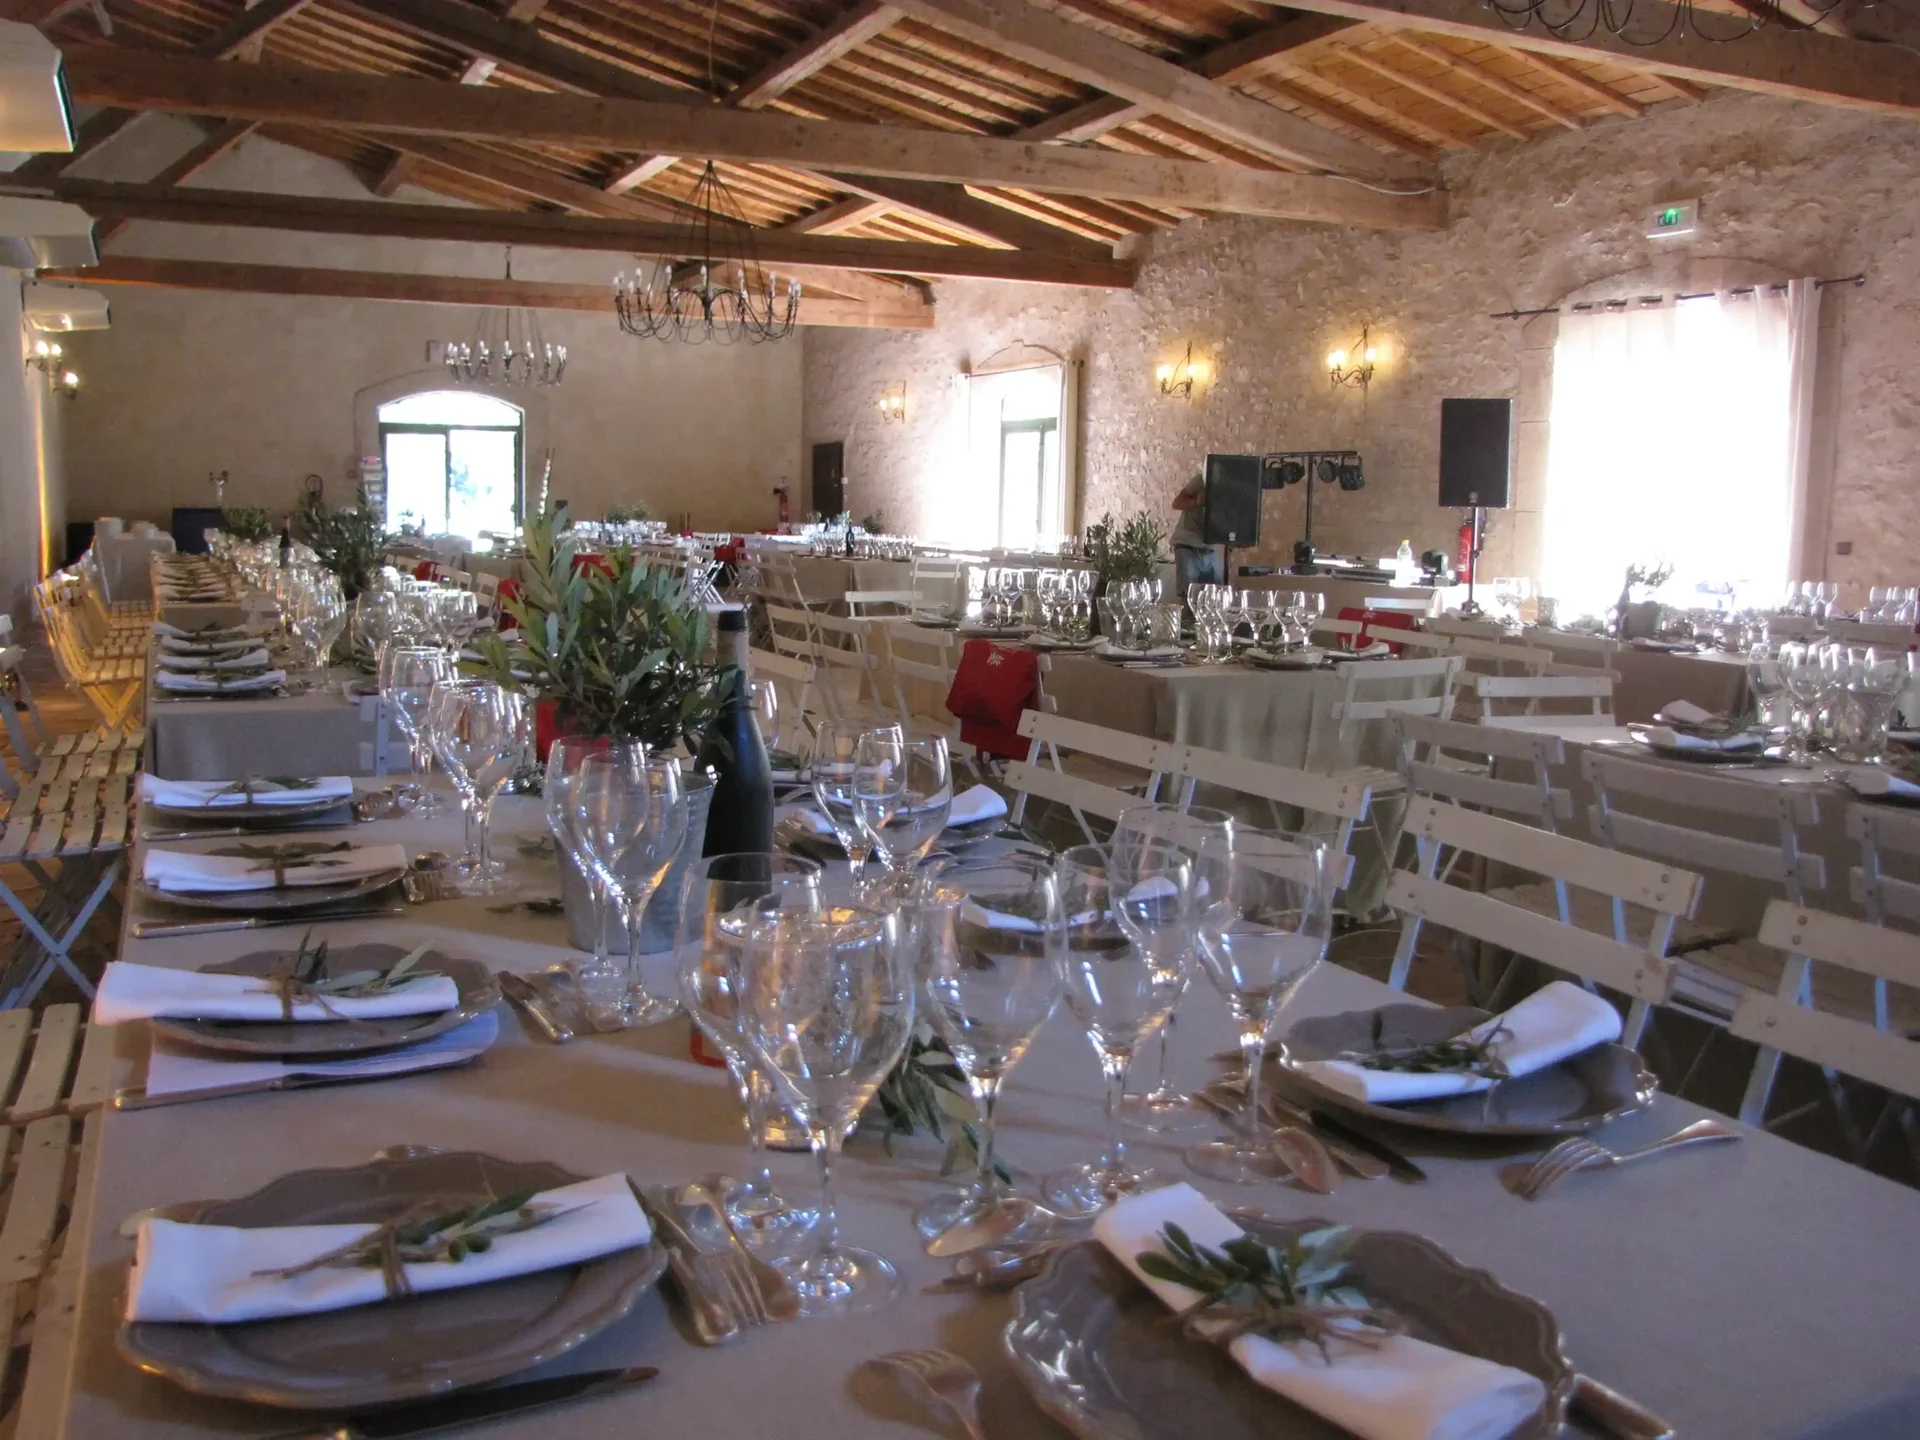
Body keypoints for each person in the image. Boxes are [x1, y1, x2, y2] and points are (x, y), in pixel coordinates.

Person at [1170, 473, 1222, 597]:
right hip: (1187, 544)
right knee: (1189, 597)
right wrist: (1196, 502)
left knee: (1216, 597)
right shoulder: (1202, 479)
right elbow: (1176, 503)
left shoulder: (1234, 488)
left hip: (1209, 548)